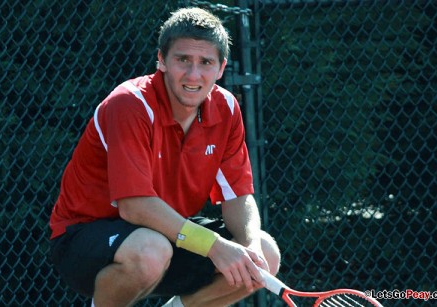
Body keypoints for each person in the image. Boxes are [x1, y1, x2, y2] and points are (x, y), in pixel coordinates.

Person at [49, 7, 280, 307]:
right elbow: (135, 208)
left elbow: (237, 195)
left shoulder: (226, 109)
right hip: (82, 239)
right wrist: (213, 246)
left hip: (169, 234)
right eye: (183, 59)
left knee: (266, 252)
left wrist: (249, 247)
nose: (193, 74)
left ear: (221, 68)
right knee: (151, 250)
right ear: (162, 60)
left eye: (205, 62)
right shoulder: (129, 104)